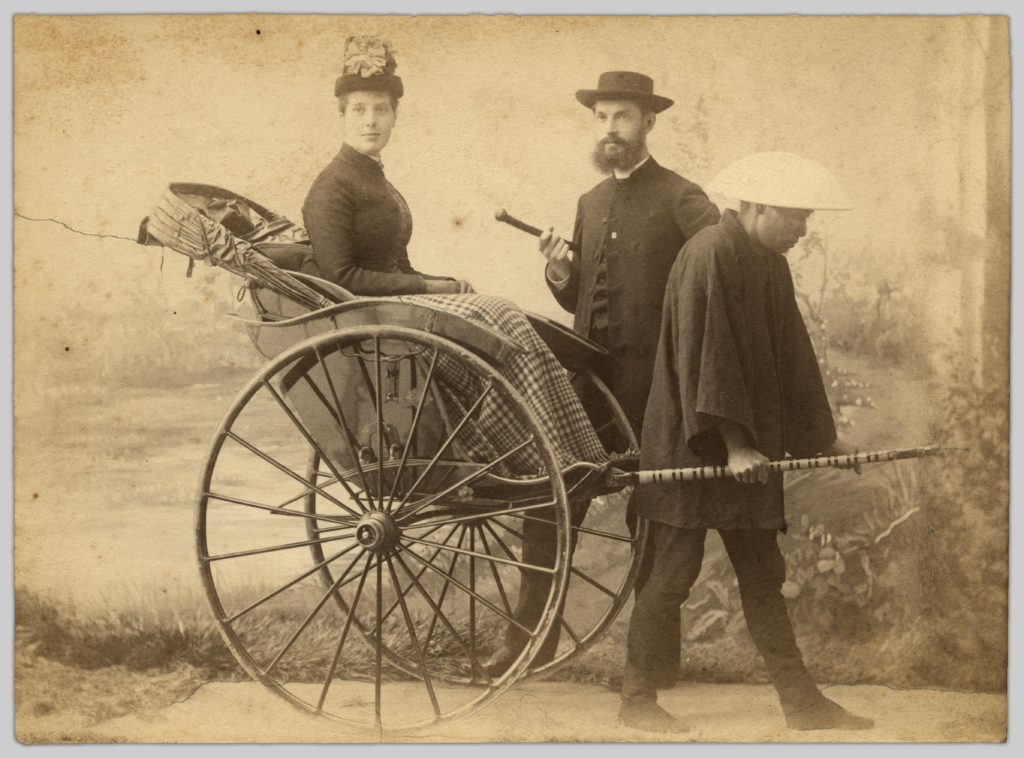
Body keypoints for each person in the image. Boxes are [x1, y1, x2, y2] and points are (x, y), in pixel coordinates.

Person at [618, 152, 875, 733]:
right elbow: (709, 359)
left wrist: (819, 438)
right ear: (756, 206)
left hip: (747, 450)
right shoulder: (709, 253)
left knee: (763, 575)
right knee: (671, 576)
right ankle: (636, 700)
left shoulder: (768, 264)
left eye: (807, 217)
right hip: (694, 441)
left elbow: (790, 359)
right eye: (796, 216)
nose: (803, 229)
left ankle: (802, 702)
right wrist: (733, 446)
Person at [485, 71, 721, 678]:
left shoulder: (680, 196)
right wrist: (561, 271)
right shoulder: (590, 202)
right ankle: (528, 641)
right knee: (551, 497)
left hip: (658, 390)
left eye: (622, 117)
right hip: (591, 385)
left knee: (655, 512)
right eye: (602, 118)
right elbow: (578, 303)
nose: (610, 129)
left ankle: (652, 662)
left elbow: (719, 267)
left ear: (648, 123)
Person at [298, 36, 608, 475]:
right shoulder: (332, 187)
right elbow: (343, 277)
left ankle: (569, 451)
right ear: (342, 115)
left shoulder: (377, 182)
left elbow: (396, 266)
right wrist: (430, 287)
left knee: (502, 313)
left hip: (396, 307)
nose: (371, 121)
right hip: (370, 316)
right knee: (497, 314)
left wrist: (440, 281)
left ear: (394, 115)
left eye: (381, 110)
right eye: (360, 110)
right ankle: (544, 456)